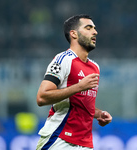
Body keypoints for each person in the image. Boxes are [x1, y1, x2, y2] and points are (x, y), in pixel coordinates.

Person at [36, 14, 112, 150]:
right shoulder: (63, 60)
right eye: (88, 28)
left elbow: (79, 104)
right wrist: (78, 87)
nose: (95, 32)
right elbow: (41, 97)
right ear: (74, 34)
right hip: (59, 139)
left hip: (85, 143)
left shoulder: (95, 67)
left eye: (94, 28)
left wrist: (99, 114)